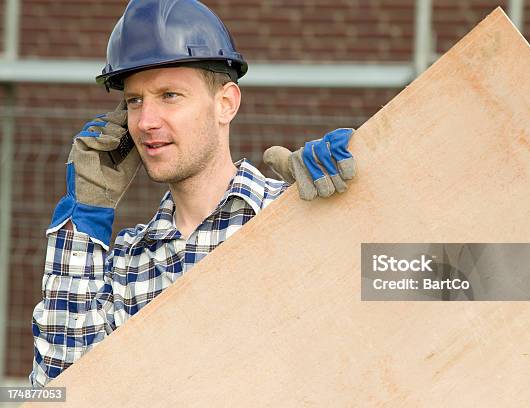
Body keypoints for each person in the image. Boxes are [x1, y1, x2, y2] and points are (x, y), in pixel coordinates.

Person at [30, 0, 355, 387]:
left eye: (169, 95)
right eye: (135, 100)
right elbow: (55, 390)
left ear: (225, 103)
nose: (147, 122)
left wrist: (362, 203)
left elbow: (435, 284)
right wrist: (84, 219)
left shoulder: (289, 214)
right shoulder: (125, 267)